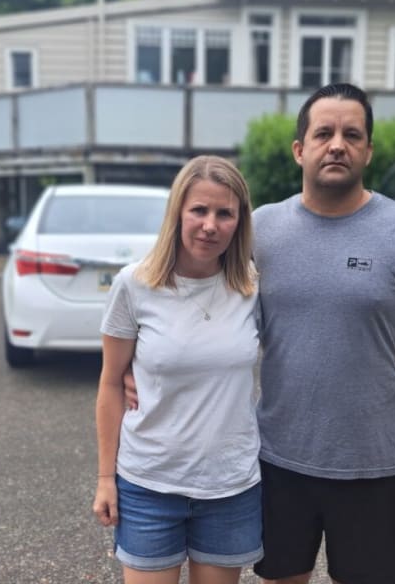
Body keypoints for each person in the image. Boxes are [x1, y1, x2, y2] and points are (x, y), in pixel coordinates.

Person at [251, 82, 395, 584]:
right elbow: (210, 317)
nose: (337, 144)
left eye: (352, 134)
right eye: (323, 133)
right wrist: (141, 371)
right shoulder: (260, 230)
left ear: (368, 148)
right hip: (278, 459)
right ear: (300, 149)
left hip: (375, 464)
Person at [92, 155, 263, 584]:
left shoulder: (253, 286)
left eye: (224, 213)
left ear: (239, 221)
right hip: (149, 484)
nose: (210, 225)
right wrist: (104, 478)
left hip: (230, 487)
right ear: (178, 214)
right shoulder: (134, 285)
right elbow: (112, 383)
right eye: (199, 210)